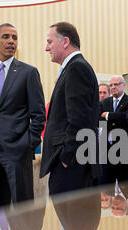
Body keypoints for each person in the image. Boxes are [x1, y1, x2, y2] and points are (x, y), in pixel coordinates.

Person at [0, 23, 46, 212]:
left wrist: (28, 142)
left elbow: (38, 114)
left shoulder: (28, 72)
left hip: (17, 149)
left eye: (15, 37)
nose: (11, 41)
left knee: (23, 208)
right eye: (6, 37)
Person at [40, 22, 101, 195]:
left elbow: (80, 119)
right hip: (73, 164)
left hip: (73, 167)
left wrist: (66, 158)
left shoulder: (76, 68)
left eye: (50, 42)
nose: (46, 48)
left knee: (74, 219)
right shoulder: (73, 67)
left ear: (65, 41)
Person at [99, 75, 128, 185]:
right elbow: (98, 120)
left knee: (123, 188)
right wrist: (118, 117)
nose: (113, 87)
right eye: (111, 85)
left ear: (123, 85)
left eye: (116, 84)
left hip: (125, 151)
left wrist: (108, 115)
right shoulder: (104, 103)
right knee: (105, 188)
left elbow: (127, 118)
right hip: (106, 152)